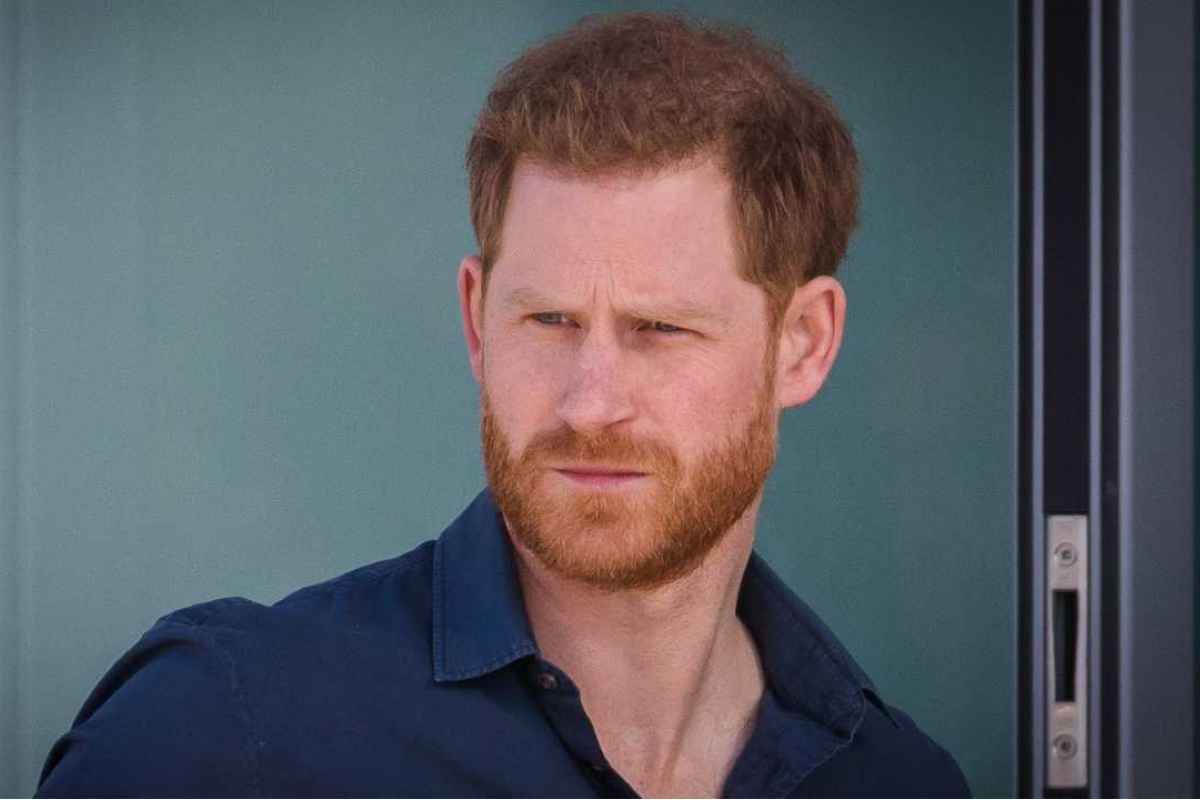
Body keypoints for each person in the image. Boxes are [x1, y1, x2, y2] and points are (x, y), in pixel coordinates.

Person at [38, 11, 969, 798]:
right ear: (477, 320)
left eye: (659, 329)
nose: (590, 404)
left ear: (802, 342)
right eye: (549, 319)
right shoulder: (214, 734)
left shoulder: (902, 782)